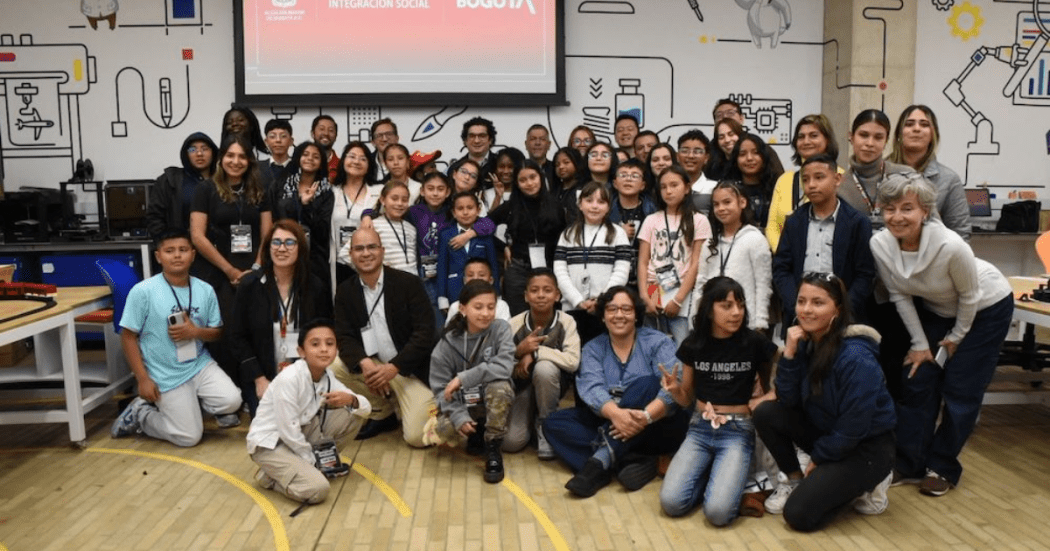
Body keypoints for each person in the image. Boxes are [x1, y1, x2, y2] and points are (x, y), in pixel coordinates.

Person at [870, 173, 1013, 496]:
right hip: (939, 310)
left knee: (961, 387)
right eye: (889, 208)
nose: (897, 217)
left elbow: (970, 297)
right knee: (916, 377)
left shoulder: (950, 245)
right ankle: (910, 464)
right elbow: (899, 295)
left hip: (986, 307)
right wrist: (921, 345)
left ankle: (943, 466)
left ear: (925, 211)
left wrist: (958, 337)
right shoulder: (879, 244)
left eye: (907, 208)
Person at [754, 273, 896, 531]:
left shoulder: (856, 357)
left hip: (866, 448)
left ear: (838, 309)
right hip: (830, 435)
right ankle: (795, 481)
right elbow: (787, 400)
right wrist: (789, 353)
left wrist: (818, 459)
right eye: (802, 301)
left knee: (798, 515)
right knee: (766, 412)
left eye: (818, 303)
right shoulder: (808, 342)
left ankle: (871, 482)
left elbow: (854, 425)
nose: (807, 310)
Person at [543, 286, 690, 497]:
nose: (619, 315)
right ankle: (633, 460)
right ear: (602, 316)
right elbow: (591, 388)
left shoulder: (658, 342)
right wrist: (617, 415)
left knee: (648, 384)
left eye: (626, 309)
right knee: (553, 424)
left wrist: (645, 417)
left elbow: (672, 387)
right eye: (612, 309)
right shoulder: (593, 348)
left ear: (636, 315)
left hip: (655, 425)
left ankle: (597, 464)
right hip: (613, 421)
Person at [659, 277, 776, 526]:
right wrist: (674, 390)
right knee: (671, 504)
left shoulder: (754, 342)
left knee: (718, 514)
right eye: (726, 306)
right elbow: (687, 398)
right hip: (700, 428)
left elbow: (782, 380)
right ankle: (714, 476)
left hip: (737, 431)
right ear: (709, 309)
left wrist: (765, 398)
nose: (736, 312)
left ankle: (721, 479)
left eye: (740, 305)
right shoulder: (694, 343)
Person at [111, 229, 242, 446]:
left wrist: (196, 332)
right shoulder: (143, 291)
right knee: (189, 437)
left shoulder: (205, 289)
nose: (177, 255)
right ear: (158, 256)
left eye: (183, 250)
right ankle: (141, 415)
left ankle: (189, 406)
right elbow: (127, 337)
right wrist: (143, 378)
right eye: (169, 251)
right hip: (164, 372)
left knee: (232, 401)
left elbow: (217, 332)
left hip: (198, 364)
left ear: (193, 254)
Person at [247, 319, 371, 504]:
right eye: (315, 344)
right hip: (271, 443)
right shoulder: (289, 378)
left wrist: (352, 399)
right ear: (301, 352)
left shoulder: (327, 376)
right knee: (318, 490)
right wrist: (314, 462)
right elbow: (288, 430)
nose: (324, 349)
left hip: (300, 434)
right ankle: (268, 478)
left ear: (336, 350)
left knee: (353, 414)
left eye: (330, 344)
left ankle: (298, 469)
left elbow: (366, 408)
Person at [331, 228, 436, 447]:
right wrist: (365, 363)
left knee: (418, 438)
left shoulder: (408, 283)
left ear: (382, 251)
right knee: (334, 366)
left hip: (408, 371)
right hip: (374, 366)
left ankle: (414, 403)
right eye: (359, 248)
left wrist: (394, 367)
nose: (366, 253)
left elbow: (425, 333)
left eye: (371, 247)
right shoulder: (345, 291)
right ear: (350, 254)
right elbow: (344, 335)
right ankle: (382, 412)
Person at [230, 220, 333, 416]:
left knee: (305, 423)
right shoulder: (250, 285)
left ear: (300, 248)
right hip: (262, 377)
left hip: (304, 375)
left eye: (289, 243)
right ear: (268, 248)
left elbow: (324, 333)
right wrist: (259, 380)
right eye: (276, 242)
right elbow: (237, 338)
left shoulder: (315, 287)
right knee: (271, 429)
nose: (282, 249)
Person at [190, 135, 273, 379]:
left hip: (255, 267)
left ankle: (255, 384)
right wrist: (230, 271)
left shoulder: (260, 189)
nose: (236, 161)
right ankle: (227, 391)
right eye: (230, 155)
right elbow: (197, 236)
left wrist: (257, 267)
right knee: (224, 330)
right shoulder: (205, 189)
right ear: (221, 158)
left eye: (242, 156)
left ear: (249, 160)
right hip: (218, 270)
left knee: (257, 327)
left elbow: (268, 233)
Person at [425, 279, 515, 484]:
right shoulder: (447, 341)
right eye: (478, 307)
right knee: (444, 430)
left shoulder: (501, 329)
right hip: (463, 403)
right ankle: (475, 431)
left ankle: (493, 447)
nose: (485, 313)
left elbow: (505, 367)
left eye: (491, 307)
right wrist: (457, 415)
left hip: (492, 399)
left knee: (500, 386)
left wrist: (463, 378)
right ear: (463, 309)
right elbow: (440, 389)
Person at [772, 154, 876, 326]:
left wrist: (842, 309)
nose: (811, 185)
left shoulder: (857, 222)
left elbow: (865, 275)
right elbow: (781, 269)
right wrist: (796, 306)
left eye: (819, 177)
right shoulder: (794, 221)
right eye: (805, 179)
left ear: (837, 179)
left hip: (844, 318)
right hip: (800, 318)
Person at [505, 268, 581, 457]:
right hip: (522, 387)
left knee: (544, 368)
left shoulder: (567, 321)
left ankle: (545, 424)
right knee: (511, 443)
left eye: (547, 290)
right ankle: (530, 416)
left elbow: (573, 361)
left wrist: (536, 352)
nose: (540, 295)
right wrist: (519, 351)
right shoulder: (513, 324)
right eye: (534, 290)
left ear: (557, 295)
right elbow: (497, 365)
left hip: (552, 384)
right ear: (526, 296)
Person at [638, 165, 711, 345]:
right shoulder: (651, 219)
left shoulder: (699, 220)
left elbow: (696, 263)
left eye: (674, 185)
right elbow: (642, 261)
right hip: (653, 287)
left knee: (682, 345)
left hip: (683, 292)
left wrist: (678, 300)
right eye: (663, 187)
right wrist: (644, 297)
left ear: (686, 188)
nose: (668, 191)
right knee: (653, 344)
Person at [553, 181, 632, 344]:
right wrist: (578, 300)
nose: (595, 206)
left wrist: (602, 299)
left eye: (601, 202)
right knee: (574, 351)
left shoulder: (618, 234)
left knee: (604, 350)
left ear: (609, 207)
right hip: (572, 306)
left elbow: (622, 271)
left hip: (605, 307)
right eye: (589, 200)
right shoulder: (567, 234)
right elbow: (560, 272)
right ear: (580, 205)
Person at [488, 161, 566, 315]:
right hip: (518, 269)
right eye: (523, 180)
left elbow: (565, 237)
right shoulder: (511, 206)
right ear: (517, 183)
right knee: (518, 318)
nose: (529, 183)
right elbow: (482, 226)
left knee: (550, 316)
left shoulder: (555, 205)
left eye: (533, 177)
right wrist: (502, 246)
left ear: (541, 177)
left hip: (550, 268)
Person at [694, 181, 772, 333]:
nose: (721, 208)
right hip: (713, 325)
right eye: (716, 204)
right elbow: (700, 283)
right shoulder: (710, 243)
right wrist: (696, 318)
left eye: (727, 202)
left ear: (742, 202)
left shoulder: (755, 239)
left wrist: (760, 323)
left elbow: (763, 285)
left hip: (744, 323)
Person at [886, 105, 970, 240]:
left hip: (933, 258)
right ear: (899, 134)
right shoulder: (881, 172)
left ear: (933, 135)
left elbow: (960, 234)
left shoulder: (949, 180)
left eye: (924, 124)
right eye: (909, 124)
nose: (916, 129)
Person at [765, 114, 841, 251]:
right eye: (801, 137)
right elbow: (772, 226)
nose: (806, 141)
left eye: (813, 135)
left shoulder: (840, 177)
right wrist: (785, 255)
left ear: (827, 140)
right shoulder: (785, 180)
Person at [270, 141, 333, 295]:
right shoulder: (280, 185)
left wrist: (307, 206)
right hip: (281, 251)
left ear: (321, 163)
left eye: (316, 156)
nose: (310, 159)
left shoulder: (327, 192)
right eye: (305, 155)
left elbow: (323, 230)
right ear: (297, 158)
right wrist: (299, 202)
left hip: (314, 259)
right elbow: (273, 218)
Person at [436, 191, 500, 312]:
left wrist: (496, 292)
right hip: (455, 289)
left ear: (478, 210)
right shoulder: (446, 234)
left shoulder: (485, 234)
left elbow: (493, 265)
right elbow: (442, 267)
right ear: (454, 213)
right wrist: (442, 297)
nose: (465, 212)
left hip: (483, 290)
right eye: (460, 209)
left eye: (470, 208)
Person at [330, 142, 382, 286]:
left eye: (363, 159)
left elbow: (389, 213)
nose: (356, 161)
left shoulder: (379, 191)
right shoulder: (331, 192)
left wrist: (369, 214)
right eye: (352, 156)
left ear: (369, 165)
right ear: (343, 161)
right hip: (339, 261)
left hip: (369, 260)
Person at [148, 132, 218, 238]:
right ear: (186, 154)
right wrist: (168, 243)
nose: (199, 153)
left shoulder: (224, 180)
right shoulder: (169, 180)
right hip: (182, 249)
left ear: (213, 153)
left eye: (205, 149)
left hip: (218, 248)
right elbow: (154, 217)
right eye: (192, 149)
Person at [343, 181, 417, 275]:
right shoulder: (372, 225)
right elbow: (345, 254)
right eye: (394, 199)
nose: (399, 203)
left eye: (404, 200)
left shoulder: (411, 228)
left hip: (413, 283)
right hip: (388, 284)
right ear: (383, 200)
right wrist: (371, 272)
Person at [608, 159, 657, 290]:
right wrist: (617, 232)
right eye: (623, 175)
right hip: (612, 280)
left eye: (635, 176)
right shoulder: (604, 212)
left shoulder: (652, 212)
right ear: (615, 183)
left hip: (648, 281)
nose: (628, 179)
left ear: (643, 185)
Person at [727, 133, 783, 230]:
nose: (749, 158)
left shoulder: (778, 189)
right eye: (742, 154)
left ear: (764, 157)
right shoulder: (728, 190)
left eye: (755, 152)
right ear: (735, 160)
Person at [444, 257, 512, 325]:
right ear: (464, 281)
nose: (476, 279)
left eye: (481, 275)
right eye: (470, 275)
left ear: (491, 280)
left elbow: (505, 332)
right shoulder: (455, 307)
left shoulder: (501, 305)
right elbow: (449, 333)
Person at [677, 130, 714, 213]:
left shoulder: (715, 189)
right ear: (677, 156)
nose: (690, 156)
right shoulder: (670, 188)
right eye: (685, 151)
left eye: (697, 151)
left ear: (706, 158)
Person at [457, 117, 498, 185]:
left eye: (482, 136)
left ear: (490, 140)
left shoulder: (501, 165)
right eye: (472, 136)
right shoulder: (456, 167)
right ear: (465, 141)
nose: (477, 141)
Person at [486, 147, 525, 213]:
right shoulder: (484, 195)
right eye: (501, 166)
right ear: (495, 168)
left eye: (510, 167)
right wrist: (498, 197)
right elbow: (484, 223)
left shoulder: (526, 194)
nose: (506, 171)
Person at [262, 119, 294, 185]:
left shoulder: (298, 167)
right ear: (266, 142)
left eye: (283, 136)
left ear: (291, 141)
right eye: (272, 136)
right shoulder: (257, 168)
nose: (278, 140)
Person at [311, 115, 340, 182]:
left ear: (336, 136)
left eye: (331, 130)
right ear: (312, 133)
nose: (326, 133)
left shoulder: (342, 166)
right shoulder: (303, 164)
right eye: (321, 129)